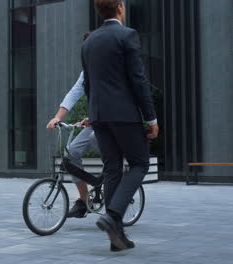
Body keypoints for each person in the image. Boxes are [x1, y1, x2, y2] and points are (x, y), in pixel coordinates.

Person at [82, 0, 159, 252]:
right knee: (140, 163)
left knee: (112, 168)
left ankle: (117, 238)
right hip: (124, 114)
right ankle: (113, 215)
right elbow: (138, 79)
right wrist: (151, 118)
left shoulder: (89, 41)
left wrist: (93, 114)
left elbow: (88, 85)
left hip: (99, 115)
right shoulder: (127, 35)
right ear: (119, 8)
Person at [47, 33, 104, 219]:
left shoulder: (110, 68)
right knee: (71, 153)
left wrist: (96, 116)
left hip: (111, 123)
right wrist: (57, 117)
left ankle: (114, 183)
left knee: (99, 140)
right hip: (95, 122)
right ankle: (84, 200)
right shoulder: (86, 73)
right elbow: (74, 93)